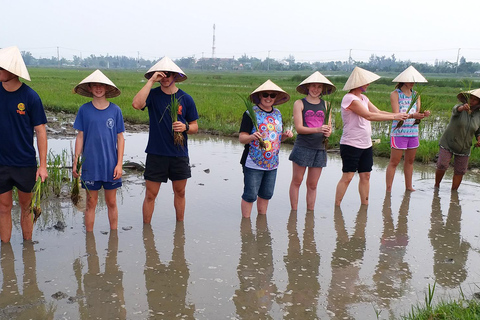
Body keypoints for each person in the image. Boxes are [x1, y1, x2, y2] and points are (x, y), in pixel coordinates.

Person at [132, 56, 198, 223]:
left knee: (180, 192)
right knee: (150, 194)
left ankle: (180, 229)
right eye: (162, 74)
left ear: (175, 76)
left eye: (169, 74)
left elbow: (195, 126)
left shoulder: (186, 99)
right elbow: (137, 104)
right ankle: (146, 230)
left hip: (179, 153)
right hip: (156, 152)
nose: (166, 77)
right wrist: (151, 81)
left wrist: (185, 128)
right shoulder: (152, 96)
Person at [334, 67, 408, 206]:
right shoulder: (349, 98)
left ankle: (364, 206)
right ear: (358, 83)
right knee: (348, 176)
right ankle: (337, 206)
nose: (368, 84)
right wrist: (394, 116)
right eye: (365, 82)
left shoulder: (364, 98)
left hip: (366, 144)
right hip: (351, 144)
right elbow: (368, 115)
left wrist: (399, 116)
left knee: (366, 176)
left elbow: (378, 111)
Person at [0, 46, 48, 243]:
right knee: (3, 207)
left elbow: (41, 131)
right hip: (1, 162)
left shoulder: (30, 97)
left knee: (26, 207)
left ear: (13, 70)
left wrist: (43, 165)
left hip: (24, 162)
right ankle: (6, 250)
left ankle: (28, 248)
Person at [72, 69, 125, 232]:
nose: (98, 88)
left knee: (111, 202)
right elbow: (80, 136)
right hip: (90, 166)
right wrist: (76, 161)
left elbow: (120, 138)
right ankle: (89, 241)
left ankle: (114, 238)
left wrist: (119, 164)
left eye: (101, 85)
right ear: (89, 88)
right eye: (94, 85)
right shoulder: (84, 110)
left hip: (110, 165)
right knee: (90, 203)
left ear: (107, 88)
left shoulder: (115, 111)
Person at [239, 80, 293, 218]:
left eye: (272, 95)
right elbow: (242, 138)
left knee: (266, 194)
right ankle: (246, 227)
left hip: (272, 163)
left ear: (276, 98)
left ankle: (261, 223)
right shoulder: (250, 113)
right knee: (250, 195)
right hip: (253, 161)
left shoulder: (277, 113)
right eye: (265, 95)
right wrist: (252, 137)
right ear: (259, 96)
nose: (268, 98)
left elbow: (275, 138)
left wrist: (285, 136)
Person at [288, 71, 336, 211]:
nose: (316, 89)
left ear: (322, 89)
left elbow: (329, 127)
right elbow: (299, 128)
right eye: (313, 86)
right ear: (308, 87)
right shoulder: (299, 103)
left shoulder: (326, 104)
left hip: (319, 148)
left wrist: (328, 131)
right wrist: (318, 129)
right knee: (297, 181)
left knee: (313, 184)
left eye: (319, 87)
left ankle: (310, 213)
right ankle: (294, 213)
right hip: (303, 146)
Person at [386, 66, 430, 192]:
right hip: (399, 132)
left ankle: (409, 186)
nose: (412, 82)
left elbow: (418, 113)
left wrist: (423, 114)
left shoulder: (416, 95)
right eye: (410, 80)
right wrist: (412, 115)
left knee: (410, 161)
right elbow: (397, 114)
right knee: (394, 162)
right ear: (403, 80)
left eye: (414, 80)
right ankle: (388, 189)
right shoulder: (395, 94)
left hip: (413, 132)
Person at [434, 89, 480, 190]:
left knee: (460, 170)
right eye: (470, 98)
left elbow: (478, 131)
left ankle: (454, 193)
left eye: (475, 100)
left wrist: (479, 138)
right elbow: (456, 110)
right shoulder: (459, 108)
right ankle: (436, 187)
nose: (472, 101)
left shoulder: (478, 115)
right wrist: (463, 108)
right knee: (442, 165)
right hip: (448, 142)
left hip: (464, 147)